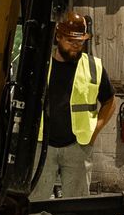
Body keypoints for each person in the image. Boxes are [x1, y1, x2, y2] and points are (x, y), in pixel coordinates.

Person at [34, 11, 115, 201]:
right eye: (71, 41)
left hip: (78, 146)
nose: (76, 47)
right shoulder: (40, 65)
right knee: (37, 204)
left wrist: (95, 129)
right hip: (42, 145)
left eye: (80, 42)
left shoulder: (94, 67)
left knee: (77, 205)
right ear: (58, 37)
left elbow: (110, 101)